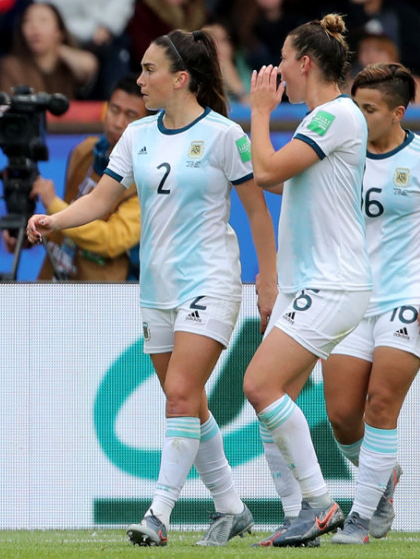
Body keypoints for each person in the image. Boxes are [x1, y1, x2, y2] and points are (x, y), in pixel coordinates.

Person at [26, 29, 277, 547]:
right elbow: (103, 202)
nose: (139, 80)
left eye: (149, 70)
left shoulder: (226, 135)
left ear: (180, 79)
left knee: (181, 395)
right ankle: (231, 506)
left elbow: (257, 211)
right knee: (186, 400)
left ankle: (158, 515)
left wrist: (267, 276)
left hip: (209, 281)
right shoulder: (136, 135)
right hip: (156, 289)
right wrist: (56, 220)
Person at [241, 13, 372, 547]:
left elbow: (267, 172)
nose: (275, 74)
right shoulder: (321, 120)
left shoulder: (334, 115)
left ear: (306, 63)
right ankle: (302, 515)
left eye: (283, 61)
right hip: (312, 284)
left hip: (332, 284)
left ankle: (320, 505)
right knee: (279, 401)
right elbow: (281, 182)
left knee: (259, 385)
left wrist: (258, 113)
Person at [323, 62, 420, 544]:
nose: (358, 117)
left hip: (408, 298)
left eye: (369, 109)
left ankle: (361, 519)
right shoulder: (341, 156)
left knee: (380, 405)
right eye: (354, 107)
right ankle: (383, 480)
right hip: (351, 297)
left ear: (398, 112)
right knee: (342, 418)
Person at [3, 77, 147, 281]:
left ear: (146, 122)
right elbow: (68, 215)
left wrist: (53, 204)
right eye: (114, 110)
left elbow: (111, 240)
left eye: (130, 115)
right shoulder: (84, 151)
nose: (118, 122)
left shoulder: (147, 176)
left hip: (99, 297)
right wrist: (32, 234)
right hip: (53, 279)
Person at [0, 1, 97, 98]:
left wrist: (59, 49)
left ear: (59, 31)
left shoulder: (67, 65)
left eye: (43, 20)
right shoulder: (11, 66)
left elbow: (89, 67)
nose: (34, 27)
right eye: (27, 21)